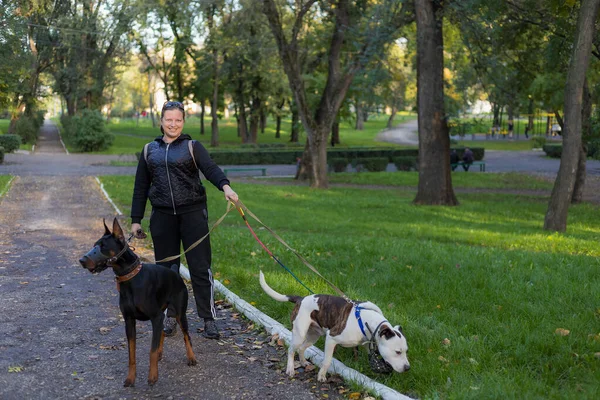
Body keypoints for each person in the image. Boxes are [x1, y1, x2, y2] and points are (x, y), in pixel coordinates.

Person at [130, 101, 239, 339]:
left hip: (193, 215)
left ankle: (208, 319)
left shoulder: (192, 146)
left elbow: (210, 169)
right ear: (161, 122)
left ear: (183, 122)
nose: (173, 124)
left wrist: (226, 187)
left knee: (200, 268)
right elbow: (140, 187)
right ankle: (170, 316)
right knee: (166, 270)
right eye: (169, 120)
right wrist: (136, 220)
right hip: (162, 217)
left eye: (178, 120)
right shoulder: (150, 150)